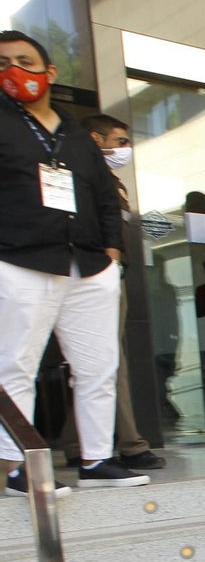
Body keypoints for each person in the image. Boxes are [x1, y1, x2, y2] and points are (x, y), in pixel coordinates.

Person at [0, 30, 147, 493]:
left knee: (98, 367)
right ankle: (17, 468)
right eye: (3, 63)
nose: (14, 70)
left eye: (24, 61)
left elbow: (105, 197)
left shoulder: (78, 135)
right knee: (16, 366)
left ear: (50, 71)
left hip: (88, 266)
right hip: (21, 260)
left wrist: (112, 253)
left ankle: (96, 459)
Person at [53, 113, 164, 471]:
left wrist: (114, 265)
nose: (125, 149)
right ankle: (130, 445)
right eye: (119, 142)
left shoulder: (112, 183)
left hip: (107, 276)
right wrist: (108, 264)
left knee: (98, 364)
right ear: (95, 140)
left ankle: (77, 443)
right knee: (108, 362)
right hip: (82, 274)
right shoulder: (71, 174)